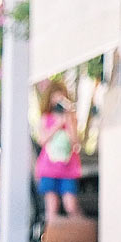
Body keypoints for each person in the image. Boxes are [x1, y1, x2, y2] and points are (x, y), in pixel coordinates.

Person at [35, 80, 83, 224]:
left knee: (70, 204)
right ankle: (53, 233)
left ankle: (79, 230)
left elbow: (75, 141)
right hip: (49, 168)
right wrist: (57, 124)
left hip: (68, 167)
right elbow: (42, 139)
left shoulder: (70, 119)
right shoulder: (46, 118)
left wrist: (68, 119)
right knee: (52, 205)